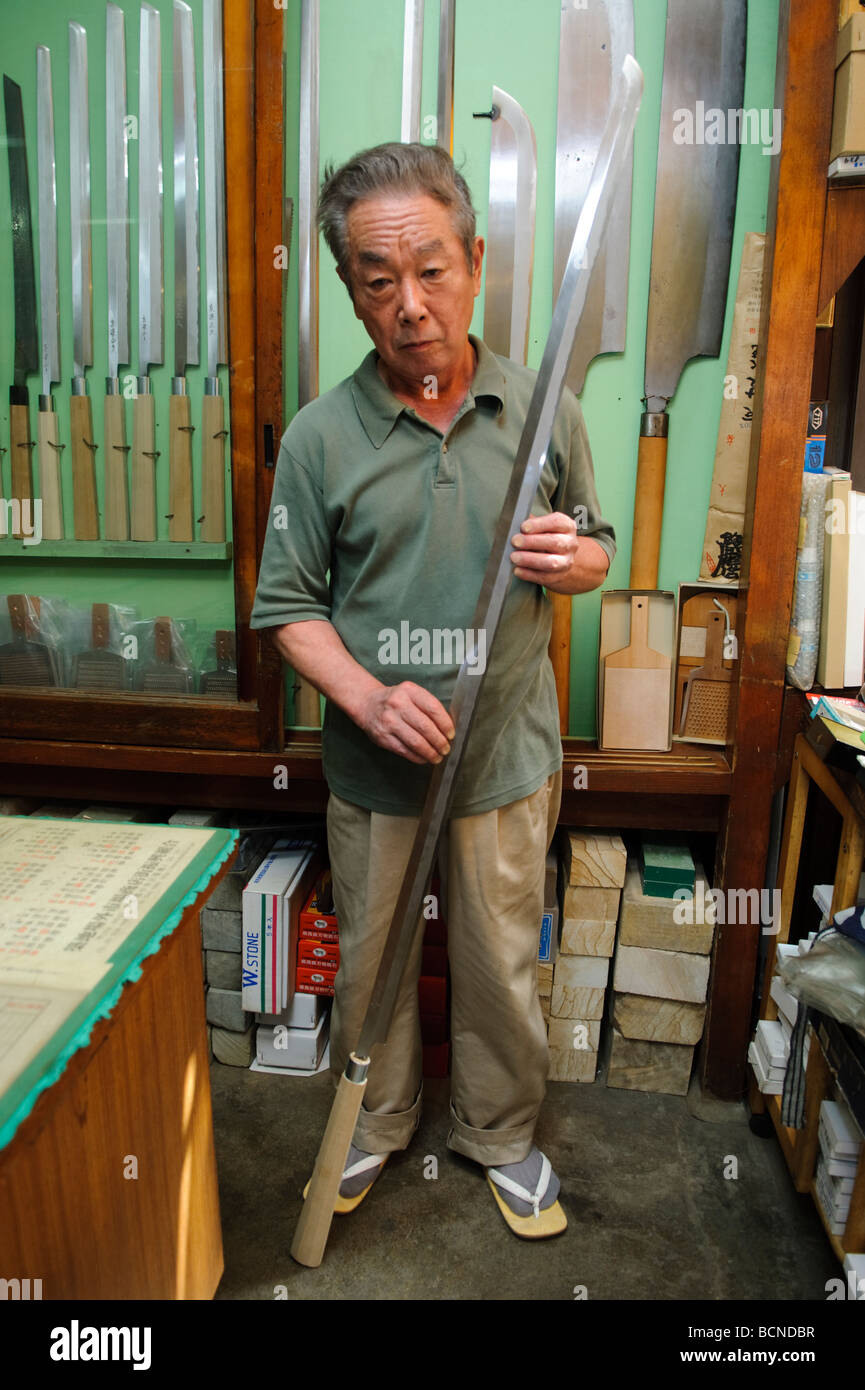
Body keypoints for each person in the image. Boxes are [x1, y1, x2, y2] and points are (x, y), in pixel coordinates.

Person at [250, 141, 615, 1239]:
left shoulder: (547, 405)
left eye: (433, 271)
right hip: (374, 763)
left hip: (504, 750)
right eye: (376, 279)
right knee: (371, 957)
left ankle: (501, 1135)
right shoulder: (320, 439)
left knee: (501, 957)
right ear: (351, 290)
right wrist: (363, 697)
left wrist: (577, 560)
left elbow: (599, 547)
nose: (410, 304)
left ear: (476, 262)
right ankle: (375, 1117)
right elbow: (286, 609)